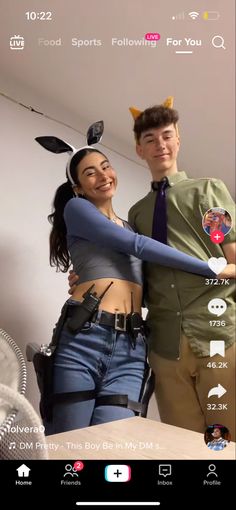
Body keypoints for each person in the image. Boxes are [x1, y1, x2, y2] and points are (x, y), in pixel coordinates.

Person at [35, 122, 233, 435]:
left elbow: (152, 273)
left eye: (105, 166)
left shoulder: (131, 225)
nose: (102, 176)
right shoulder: (77, 209)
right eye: (90, 173)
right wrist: (211, 267)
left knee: (111, 443)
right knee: (68, 442)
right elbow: (138, 247)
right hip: (87, 335)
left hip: (132, 346)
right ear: (78, 188)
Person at [127, 99, 236, 440]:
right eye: (150, 139)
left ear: (178, 140)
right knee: (182, 442)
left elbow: (234, 259)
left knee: (228, 438)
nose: (160, 144)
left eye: (166, 135)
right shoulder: (137, 214)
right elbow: (137, 274)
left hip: (217, 331)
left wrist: (213, 272)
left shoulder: (207, 191)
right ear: (139, 149)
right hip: (164, 343)